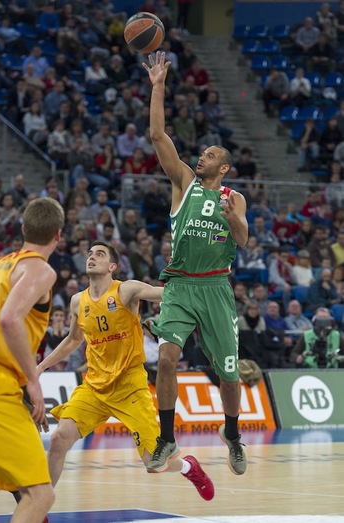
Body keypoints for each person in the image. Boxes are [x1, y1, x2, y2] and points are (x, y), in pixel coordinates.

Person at [37, 241, 214, 501]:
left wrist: (192, 279)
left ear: (112, 266)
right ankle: (40, 507)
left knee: (154, 462)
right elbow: (74, 340)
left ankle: (190, 467)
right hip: (94, 386)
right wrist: (41, 365)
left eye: (99, 254)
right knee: (59, 439)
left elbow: (163, 293)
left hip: (129, 385)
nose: (91, 257)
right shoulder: (77, 301)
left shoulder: (126, 290)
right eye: (89, 254)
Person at [142, 52, 248, 475]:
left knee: (229, 376)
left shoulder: (233, 197)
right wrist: (158, 85)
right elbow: (156, 135)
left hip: (217, 288)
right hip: (182, 286)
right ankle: (167, 438)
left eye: (208, 155)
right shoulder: (184, 182)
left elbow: (242, 240)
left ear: (224, 168)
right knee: (167, 358)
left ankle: (233, 435)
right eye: (200, 153)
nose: (200, 157)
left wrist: (234, 219)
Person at [0, 197, 65, 523]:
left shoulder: (0, 265)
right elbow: (9, 319)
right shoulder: (40, 269)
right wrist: (33, 380)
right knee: (41, 494)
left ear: (23, 228)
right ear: (58, 235)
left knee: (24, 491)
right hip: (0, 385)